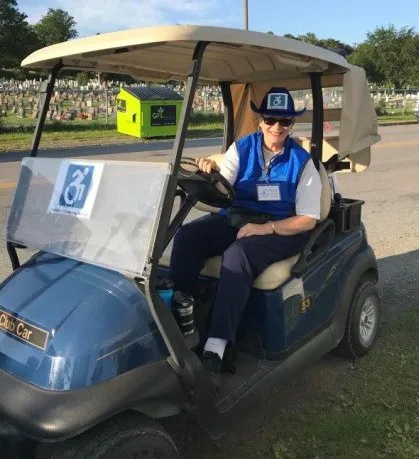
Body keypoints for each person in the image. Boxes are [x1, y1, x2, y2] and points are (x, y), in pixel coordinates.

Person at [170, 87, 322, 391]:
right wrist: (210, 172)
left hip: (282, 228)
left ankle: (216, 347)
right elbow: (224, 188)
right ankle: (184, 308)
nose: (277, 127)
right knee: (188, 236)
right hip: (238, 218)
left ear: (292, 125)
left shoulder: (303, 162)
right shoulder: (243, 148)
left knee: (237, 255)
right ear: (260, 120)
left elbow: (308, 218)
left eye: (285, 122)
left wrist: (267, 229)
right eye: (270, 119)